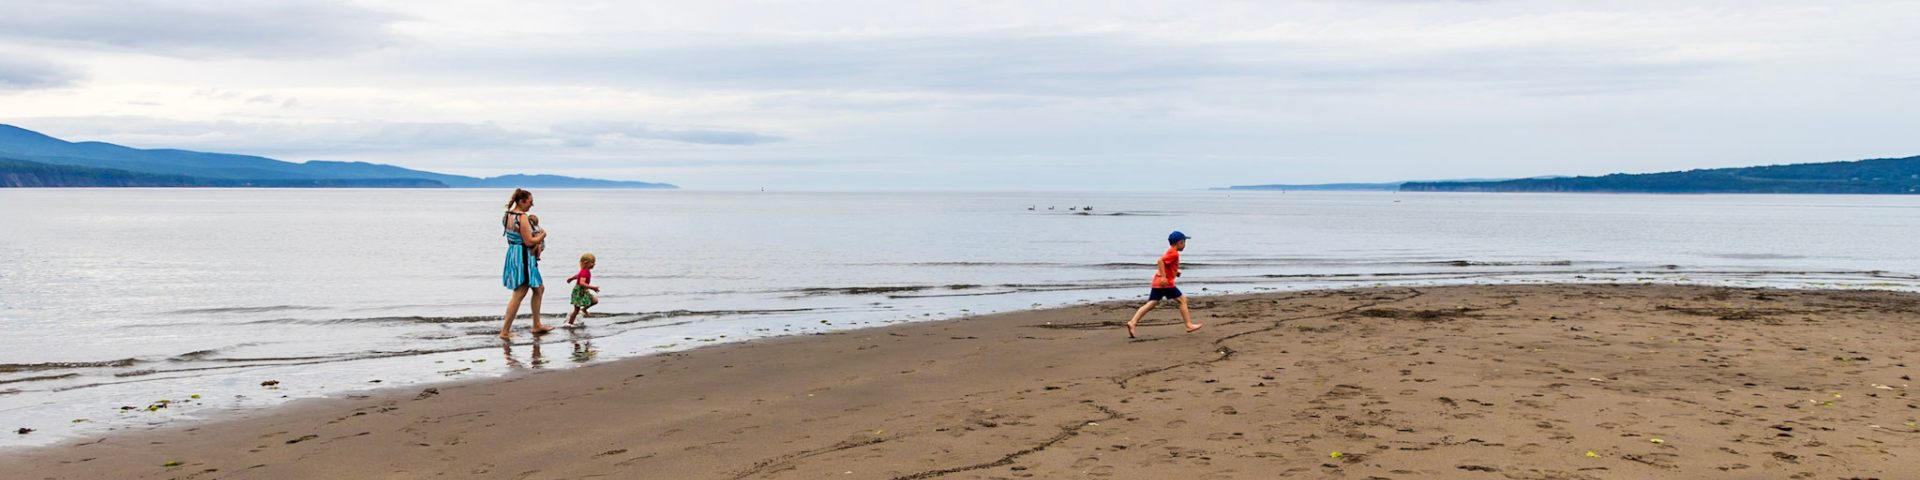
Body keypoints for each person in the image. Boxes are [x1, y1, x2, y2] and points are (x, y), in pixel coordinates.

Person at [500, 189, 554, 338]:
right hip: (523, 255)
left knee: (539, 289)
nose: (532, 204)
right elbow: (529, 241)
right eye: (530, 201)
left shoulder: (507, 215)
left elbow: (512, 237)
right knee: (520, 292)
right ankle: (505, 331)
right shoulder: (521, 217)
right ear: (522, 201)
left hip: (514, 253)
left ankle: (536, 324)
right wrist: (543, 234)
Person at [1126, 231, 1201, 338]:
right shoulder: (1174, 253)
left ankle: (1133, 322)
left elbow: (1167, 264)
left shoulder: (1170, 251)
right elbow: (1160, 261)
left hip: (1157, 282)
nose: (1185, 245)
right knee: (1183, 300)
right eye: (1184, 242)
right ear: (1180, 243)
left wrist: (1175, 272)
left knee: (1151, 304)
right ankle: (1188, 325)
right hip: (1165, 283)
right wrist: (1164, 277)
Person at [566, 253, 600, 326]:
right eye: (592, 262)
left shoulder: (585, 271)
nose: (594, 264)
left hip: (584, 290)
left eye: (594, 262)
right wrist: (593, 287)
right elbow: (581, 283)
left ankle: (584, 309)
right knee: (576, 310)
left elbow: (578, 276)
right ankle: (569, 324)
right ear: (586, 263)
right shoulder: (584, 272)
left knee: (594, 301)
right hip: (578, 291)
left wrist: (571, 278)